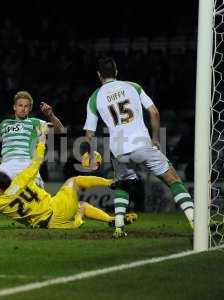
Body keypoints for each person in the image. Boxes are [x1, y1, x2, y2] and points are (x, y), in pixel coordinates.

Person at [0, 124, 138, 229]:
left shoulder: (0, 202)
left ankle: (110, 220)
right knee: (73, 182)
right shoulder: (23, 178)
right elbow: (37, 160)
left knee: (80, 207)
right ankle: (111, 184)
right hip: (56, 209)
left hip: (51, 226)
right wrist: (42, 138)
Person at [83, 56, 194, 238]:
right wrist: (156, 139)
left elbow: (89, 133)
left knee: (122, 183)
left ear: (99, 75)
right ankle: (194, 221)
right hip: (142, 144)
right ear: (116, 71)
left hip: (119, 151)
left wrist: (92, 153)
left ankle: (119, 226)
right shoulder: (133, 86)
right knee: (173, 179)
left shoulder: (94, 98)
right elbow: (154, 112)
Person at [0, 90, 64, 201]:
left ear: (30, 108)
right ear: (14, 107)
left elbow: (60, 129)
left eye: (26, 106)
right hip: (7, 165)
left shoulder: (35, 122)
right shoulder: (5, 124)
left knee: (39, 202)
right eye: (20, 105)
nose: (23, 108)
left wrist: (50, 115)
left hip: (27, 164)